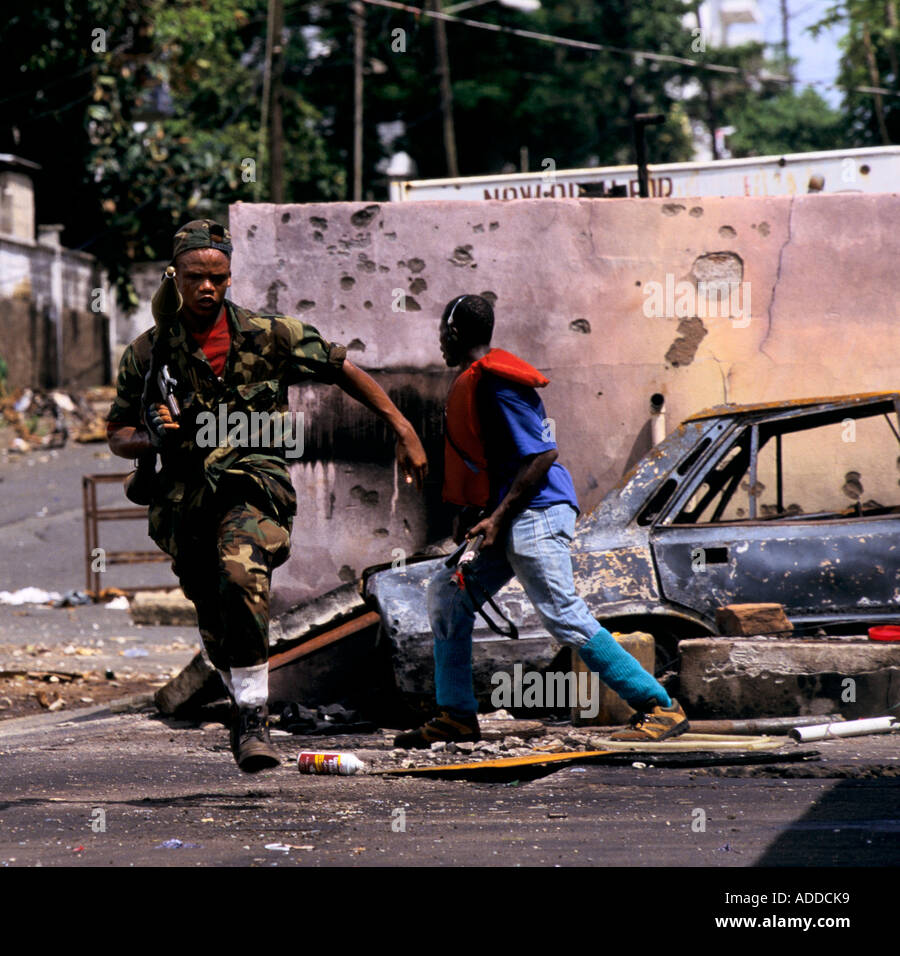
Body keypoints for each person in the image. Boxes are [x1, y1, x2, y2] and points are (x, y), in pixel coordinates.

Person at [106, 219, 429, 772]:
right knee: (215, 618)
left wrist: (401, 426)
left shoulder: (268, 335)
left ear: (230, 278)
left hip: (253, 483)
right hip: (185, 499)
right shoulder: (148, 354)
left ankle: (252, 724)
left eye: (217, 277)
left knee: (241, 571)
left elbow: (341, 367)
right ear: (175, 277)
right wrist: (153, 435)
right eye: (194, 277)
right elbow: (117, 432)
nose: (206, 288)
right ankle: (243, 702)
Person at [393, 294, 689, 748]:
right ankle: (455, 715)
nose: (438, 343)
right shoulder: (477, 382)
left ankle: (660, 706)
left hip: (537, 510)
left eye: (440, 333)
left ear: (453, 332)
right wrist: (477, 514)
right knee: (447, 595)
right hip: (510, 513)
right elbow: (496, 461)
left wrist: (496, 518)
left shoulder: (497, 384)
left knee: (563, 615)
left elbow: (542, 454)